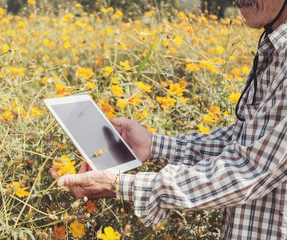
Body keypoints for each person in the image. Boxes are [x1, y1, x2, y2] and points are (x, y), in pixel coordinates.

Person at [50, 0, 287, 238]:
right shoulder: (275, 49)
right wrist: (155, 144)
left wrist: (121, 185)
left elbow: (246, 170)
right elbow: (243, 140)